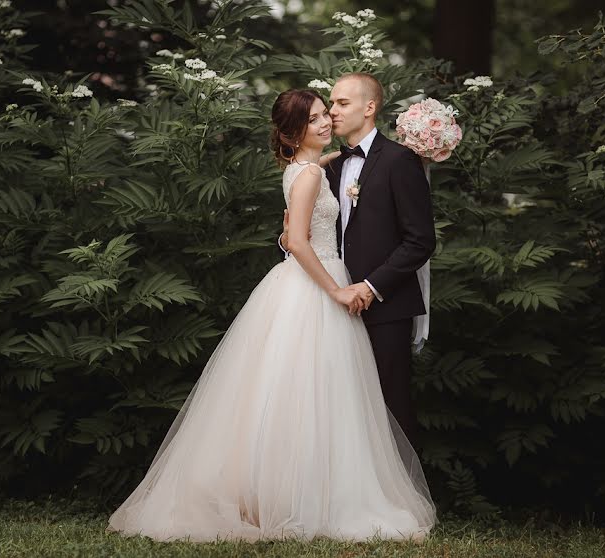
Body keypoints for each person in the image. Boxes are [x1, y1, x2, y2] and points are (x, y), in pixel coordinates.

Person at [106, 88, 437, 543]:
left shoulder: (323, 167)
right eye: (318, 116)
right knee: (310, 396)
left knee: (321, 396)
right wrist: (336, 288)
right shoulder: (309, 174)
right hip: (321, 289)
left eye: (330, 112)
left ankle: (314, 491)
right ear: (293, 130)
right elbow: (300, 239)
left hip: (330, 287)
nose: (327, 121)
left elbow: (331, 217)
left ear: (368, 107)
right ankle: (300, 497)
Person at [281, 73, 436, 449]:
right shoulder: (326, 167)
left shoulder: (400, 161)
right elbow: (299, 232)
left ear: (370, 108)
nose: (332, 112)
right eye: (330, 104)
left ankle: (402, 501)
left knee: (390, 403)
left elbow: (421, 241)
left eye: (341, 104)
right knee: (337, 407)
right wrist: (287, 240)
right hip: (329, 303)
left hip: (384, 301)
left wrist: (370, 286)